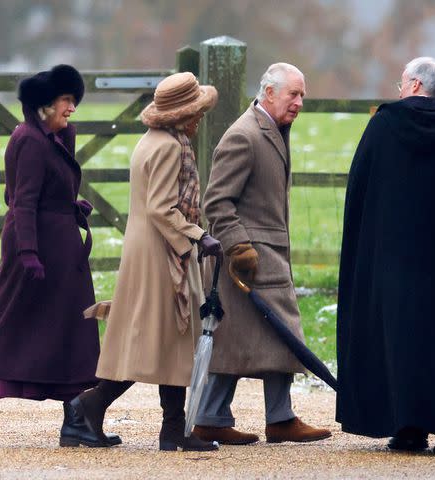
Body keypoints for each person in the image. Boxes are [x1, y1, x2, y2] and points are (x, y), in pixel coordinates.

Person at [0, 64, 116, 447]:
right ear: (45, 104)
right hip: (35, 250)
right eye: (67, 101)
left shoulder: (56, 137)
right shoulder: (29, 141)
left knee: (73, 329)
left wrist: (70, 204)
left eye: (73, 101)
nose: (72, 109)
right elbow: (22, 203)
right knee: (13, 328)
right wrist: (29, 254)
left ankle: (75, 420)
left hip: (62, 249)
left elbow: (54, 187)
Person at [336, 57, 435, 454]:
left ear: (413, 84)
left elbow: (360, 187)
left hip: (395, 259)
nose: (399, 89)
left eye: (401, 83)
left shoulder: (384, 126)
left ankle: (408, 428)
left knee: (401, 341)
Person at [65, 72, 223, 451]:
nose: (199, 118)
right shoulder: (171, 147)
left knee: (165, 340)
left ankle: (170, 430)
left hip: (147, 249)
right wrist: (199, 235)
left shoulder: (150, 141)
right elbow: (161, 207)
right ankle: (89, 406)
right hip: (160, 252)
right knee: (158, 340)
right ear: (181, 116)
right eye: (196, 112)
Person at [192, 63, 332, 445]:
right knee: (262, 336)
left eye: (302, 95)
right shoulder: (245, 135)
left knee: (256, 338)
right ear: (269, 93)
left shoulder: (272, 130)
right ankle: (251, 418)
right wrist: (238, 246)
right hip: (249, 260)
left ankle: (228, 417)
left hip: (264, 255)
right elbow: (217, 200)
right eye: (294, 94)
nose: (300, 102)